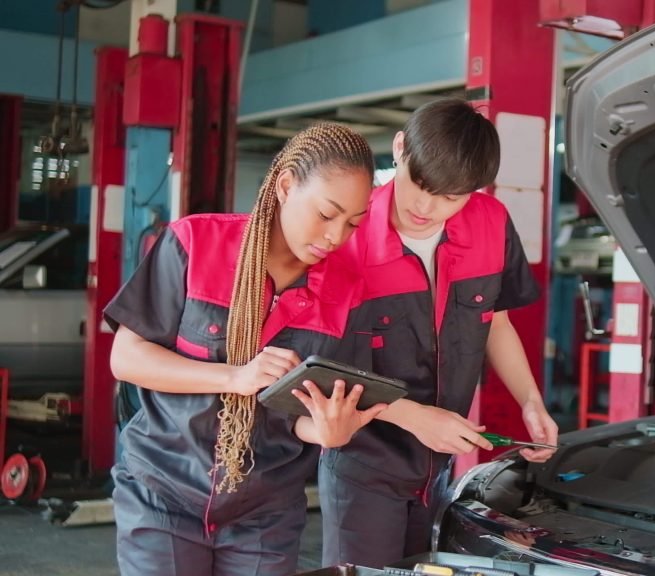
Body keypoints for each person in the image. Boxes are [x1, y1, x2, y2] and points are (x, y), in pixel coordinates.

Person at [105, 123, 386, 576]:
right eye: (326, 213)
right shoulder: (195, 244)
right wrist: (233, 377)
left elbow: (306, 416)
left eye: (353, 223)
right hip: (163, 493)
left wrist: (331, 433)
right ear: (286, 185)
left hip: (265, 513)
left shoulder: (347, 290)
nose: (336, 235)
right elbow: (126, 357)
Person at [319, 97, 559, 568]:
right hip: (363, 465)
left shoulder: (491, 224)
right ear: (400, 148)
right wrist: (410, 414)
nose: (426, 208)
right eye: (420, 185)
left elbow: (496, 321)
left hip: (439, 467)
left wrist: (531, 402)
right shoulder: (347, 233)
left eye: (452, 196)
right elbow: (323, 362)